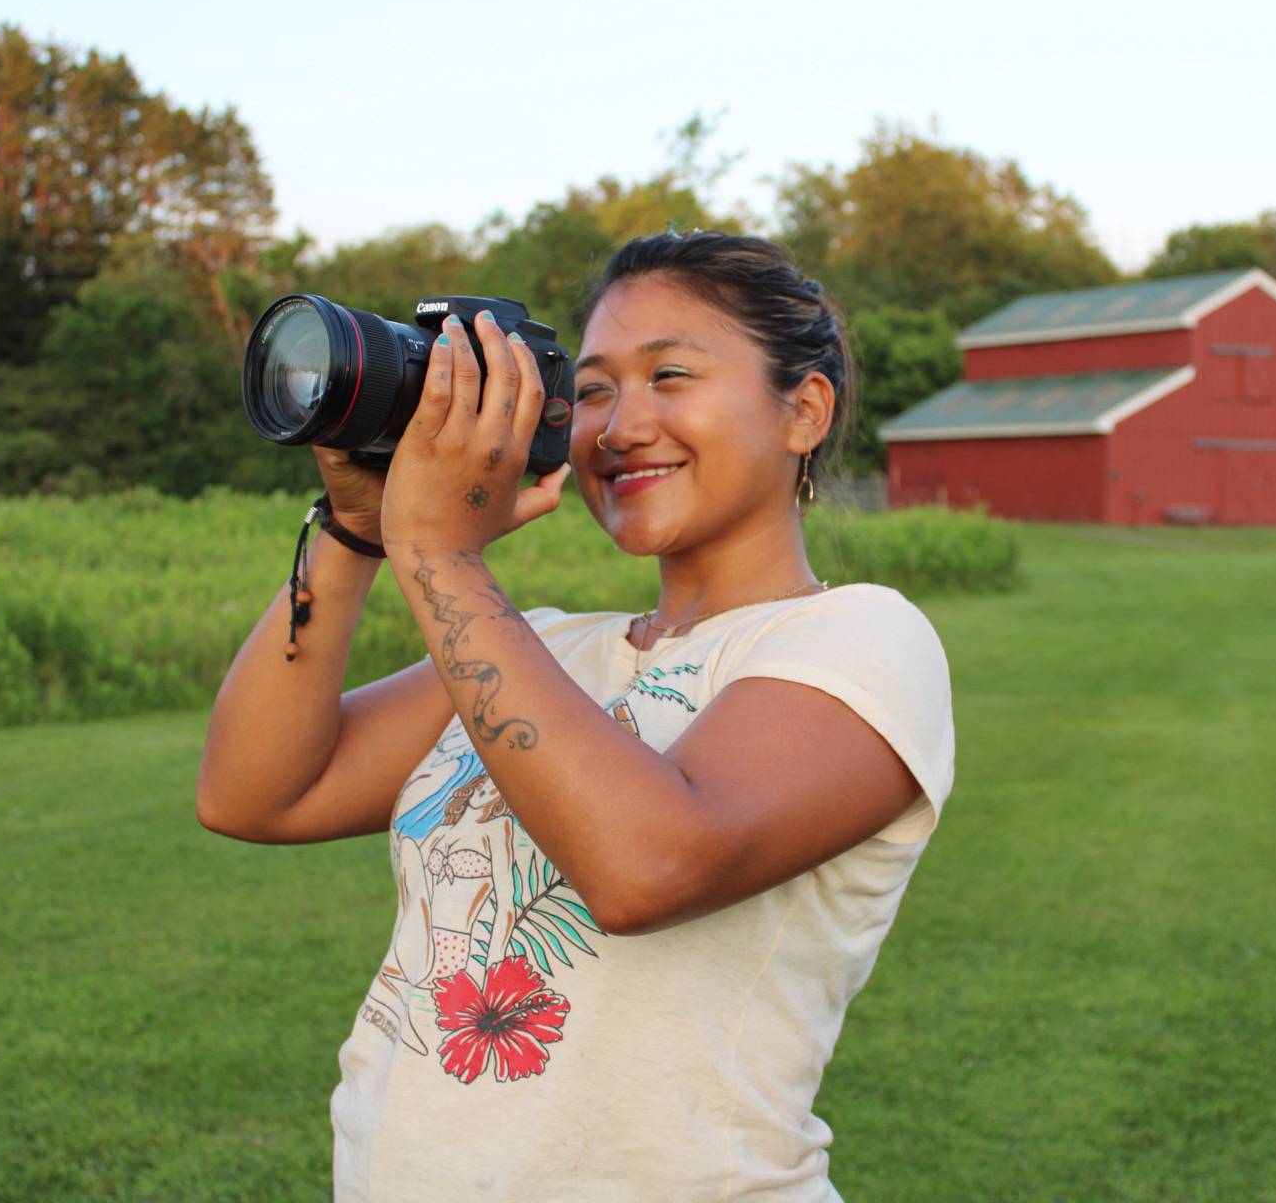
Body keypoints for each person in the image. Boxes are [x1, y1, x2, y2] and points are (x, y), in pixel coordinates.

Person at [197, 230, 957, 1201]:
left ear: (804, 409)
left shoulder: (861, 638)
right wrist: (356, 530)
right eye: (593, 390)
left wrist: (438, 549)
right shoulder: (544, 648)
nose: (621, 427)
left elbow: (645, 867)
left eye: (670, 375)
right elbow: (256, 791)